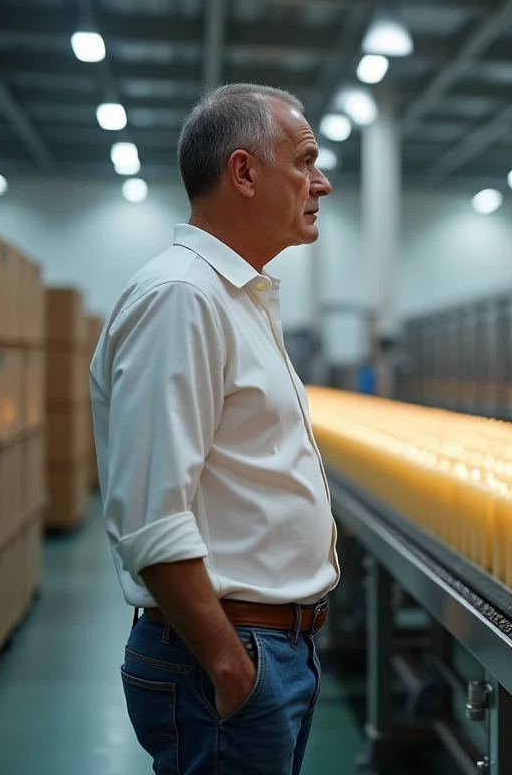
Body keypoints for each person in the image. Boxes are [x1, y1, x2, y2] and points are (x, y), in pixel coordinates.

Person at [90, 83, 339, 774]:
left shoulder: (236, 298)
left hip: (271, 650)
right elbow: (151, 518)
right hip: (227, 657)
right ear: (244, 172)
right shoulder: (183, 297)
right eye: (305, 161)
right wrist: (231, 668)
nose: (321, 183)